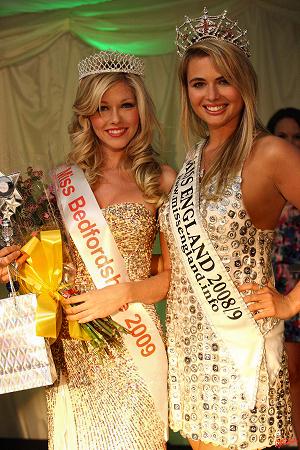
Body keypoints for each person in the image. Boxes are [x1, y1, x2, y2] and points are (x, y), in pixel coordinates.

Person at [0, 50, 176, 450]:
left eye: (125, 106)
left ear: (141, 110)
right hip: (71, 343)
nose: (114, 120)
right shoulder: (63, 183)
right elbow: (42, 266)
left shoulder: (160, 179)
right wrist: (11, 270)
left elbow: (173, 276)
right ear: (86, 116)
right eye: (101, 109)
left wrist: (124, 292)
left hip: (134, 342)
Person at [244, 107, 300, 445]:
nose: (290, 143)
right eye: (283, 137)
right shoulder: (265, 173)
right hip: (274, 284)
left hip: (294, 289)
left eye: (297, 137)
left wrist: (293, 301)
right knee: (288, 375)